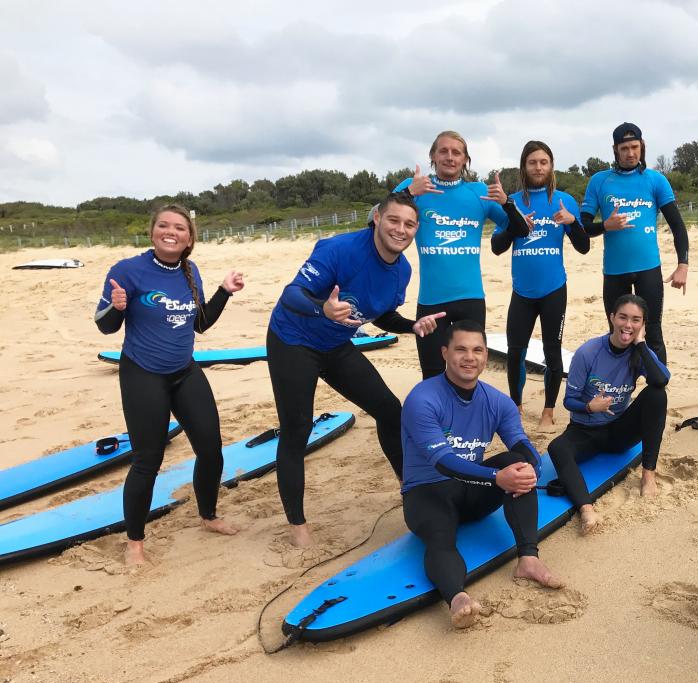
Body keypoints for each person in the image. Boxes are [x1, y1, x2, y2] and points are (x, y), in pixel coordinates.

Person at [266, 191, 443, 548]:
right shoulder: (339, 250)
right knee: (297, 428)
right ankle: (298, 525)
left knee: (391, 412)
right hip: (293, 340)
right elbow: (292, 294)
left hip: (335, 346)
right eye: (394, 220)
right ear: (377, 218)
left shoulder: (402, 271)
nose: (401, 229)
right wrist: (323, 310)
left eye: (409, 224)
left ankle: (409, 487)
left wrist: (411, 325)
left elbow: (383, 314)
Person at [94, 204, 244, 566]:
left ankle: (208, 516)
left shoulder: (190, 271)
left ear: (189, 237)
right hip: (143, 373)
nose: (170, 231)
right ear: (152, 231)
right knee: (148, 459)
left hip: (184, 371)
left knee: (210, 448)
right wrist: (116, 307)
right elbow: (105, 326)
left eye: (179, 227)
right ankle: (135, 544)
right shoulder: (127, 271)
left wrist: (224, 291)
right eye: (163, 225)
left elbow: (200, 324)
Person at [401, 321, 563, 628]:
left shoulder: (497, 401)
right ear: (445, 353)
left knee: (516, 461)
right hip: (426, 494)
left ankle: (528, 558)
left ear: (486, 356)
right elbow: (444, 463)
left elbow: (523, 445)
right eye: (460, 349)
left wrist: (530, 469)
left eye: (477, 350)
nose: (469, 357)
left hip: (470, 492)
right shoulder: (422, 399)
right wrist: (496, 478)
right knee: (440, 538)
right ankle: (457, 597)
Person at [395, 130, 531, 378]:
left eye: (456, 152)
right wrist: (408, 194)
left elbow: (521, 230)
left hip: (470, 300)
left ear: (465, 160)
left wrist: (506, 203)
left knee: (468, 372)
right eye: (443, 151)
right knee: (432, 373)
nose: (449, 157)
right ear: (433, 157)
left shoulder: (478, 192)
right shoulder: (414, 188)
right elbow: (378, 220)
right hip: (431, 300)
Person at [547, 295, 670, 535]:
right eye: (623, 317)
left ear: (643, 324)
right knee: (557, 448)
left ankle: (648, 475)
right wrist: (590, 407)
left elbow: (660, 380)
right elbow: (568, 401)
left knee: (657, 395)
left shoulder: (638, 352)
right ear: (612, 317)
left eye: (636, 320)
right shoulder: (588, 352)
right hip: (585, 431)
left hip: (617, 431)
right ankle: (586, 509)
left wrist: (642, 344)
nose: (628, 325)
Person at [492, 140, 590, 429]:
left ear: (551, 166)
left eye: (543, 162)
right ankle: (516, 408)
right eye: (532, 162)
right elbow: (497, 246)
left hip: (554, 290)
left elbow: (583, 247)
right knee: (515, 353)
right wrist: (514, 222)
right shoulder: (511, 202)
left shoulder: (564, 200)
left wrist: (572, 222)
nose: (538, 167)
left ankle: (548, 411)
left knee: (552, 352)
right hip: (522, 292)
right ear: (524, 166)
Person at [580, 122, 689, 363]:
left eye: (634, 147)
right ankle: (619, 393)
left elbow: (678, 226)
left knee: (652, 333)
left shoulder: (655, 180)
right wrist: (605, 226)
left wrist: (683, 264)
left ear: (642, 146)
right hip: (614, 271)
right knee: (618, 335)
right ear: (615, 150)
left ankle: (657, 391)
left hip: (648, 269)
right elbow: (583, 228)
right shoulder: (599, 181)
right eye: (624, 148)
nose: (630, 153)